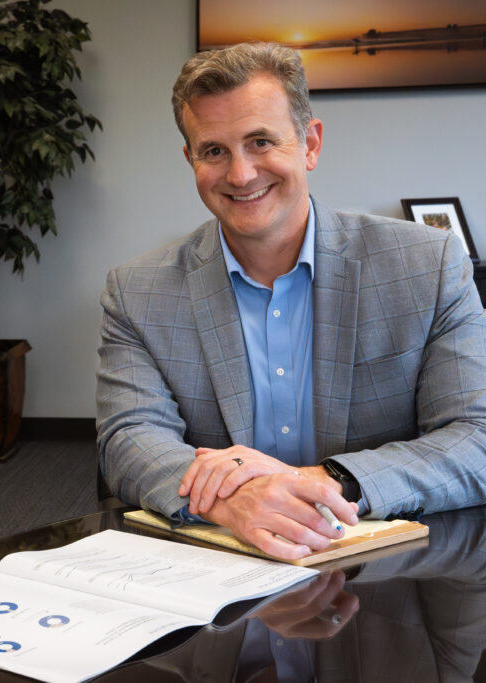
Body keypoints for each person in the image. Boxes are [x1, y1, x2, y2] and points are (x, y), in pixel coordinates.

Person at [96, 42, 486, 562]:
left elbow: (476, 439)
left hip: (382, 579)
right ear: (190, 159)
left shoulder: (426, 265)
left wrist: (313, 481)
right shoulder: (137, 291)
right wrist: (238, 497)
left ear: (310, 143)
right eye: (214, 150)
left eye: (261, 141)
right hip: (215, 579)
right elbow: (128, 440)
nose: (240, 174)